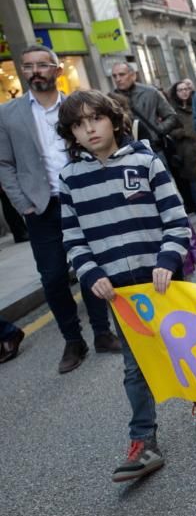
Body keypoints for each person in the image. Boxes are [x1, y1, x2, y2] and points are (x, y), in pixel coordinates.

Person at [56, 90, 196, 482]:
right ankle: (143, 440)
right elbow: (73, 238)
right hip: (117, 291)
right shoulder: (70, 180)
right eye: (79, 125)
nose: (89, 129)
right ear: (71, 134)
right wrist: (91, 274)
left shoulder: (145, 162)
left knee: (182, 346)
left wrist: (168, 259)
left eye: (95, 119)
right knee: (136, 365)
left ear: (113, 120)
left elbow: (175, 218)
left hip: (163, 281)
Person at [0, 45, 120, 374]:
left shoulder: (77, 106)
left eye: (42, 65)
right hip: (42, 207)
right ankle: (72, 340)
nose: (35, 71)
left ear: (56, 69)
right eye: (28, 66)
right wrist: (23, 203)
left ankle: (102, 333)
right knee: (52, 277)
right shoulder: (8, 114)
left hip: (83, 197)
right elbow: (4, 164)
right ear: (23, 71)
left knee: (90, 267)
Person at [110, 61, 180, 160]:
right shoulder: (110, 99)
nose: (118, 79)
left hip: (154, 148)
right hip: (127, 151)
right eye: (114, 76)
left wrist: (157, 131)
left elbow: (172, 116)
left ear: (133, 75)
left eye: (122, 74)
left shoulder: (151, 92)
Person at [166, 79, 196, 220]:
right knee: (193, 181)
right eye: (180, 90)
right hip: (185, 149)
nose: (184, 92)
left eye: (186, 89)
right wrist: (181, 132)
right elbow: (169, 130)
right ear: (175, 93)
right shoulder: (172, 110)